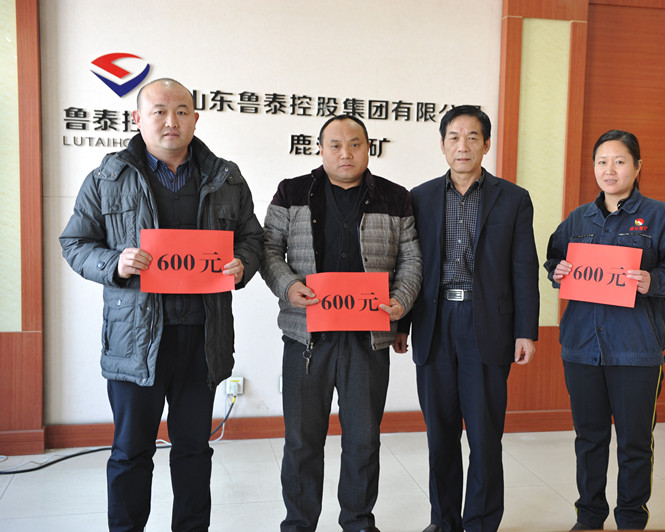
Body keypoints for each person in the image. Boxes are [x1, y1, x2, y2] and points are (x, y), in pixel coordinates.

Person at [60, 78, 264, 532]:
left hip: (202, 338)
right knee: (131, 451)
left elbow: (253, 238)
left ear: (195, 118)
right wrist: (115, 262)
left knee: (194, 451)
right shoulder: (108, 177)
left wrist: (242, 264)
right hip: (136, 343)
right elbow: (75, 243)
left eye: (182, 111)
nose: (171, 121)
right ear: (137, 118)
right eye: (159, 111)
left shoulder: (226, 178)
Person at [261, 115, 422, 532]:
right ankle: (299, 524)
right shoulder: (292, 191)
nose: (345, 153)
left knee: (363, 439)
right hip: (306, 337)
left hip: (367, 339)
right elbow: (269, 249)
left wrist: (402, 301)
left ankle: (358, 521)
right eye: (335, 145)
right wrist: (288, 286)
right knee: (301, 440)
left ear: (369, 148)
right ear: (320, 149)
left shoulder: (395, 197)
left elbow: (411, 259)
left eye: (355, 144)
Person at [395, 105, 539, 532]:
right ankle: (444, 522)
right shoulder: (419, 197)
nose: (463, 146)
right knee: (439, 435)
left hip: (487, 325)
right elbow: (409, 264)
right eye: (454, 137)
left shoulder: (513, 198)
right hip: (434, 322)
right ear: (442, 145)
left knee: (484, 435)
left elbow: (524, 268)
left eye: (472, 137)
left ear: (486, 144)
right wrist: (402, 325)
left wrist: (525, 331)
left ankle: (480, 523)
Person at [544, 129, 665, 530]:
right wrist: (557, 271)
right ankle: (590, 516)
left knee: (634, 442)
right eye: (601, 162)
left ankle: (630, 518)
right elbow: (553, 259)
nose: (609, 170)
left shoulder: (659, 216)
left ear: (637, 167)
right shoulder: (578, 218)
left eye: (619, 161)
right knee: (589, 439)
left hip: (636, 348)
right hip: (582, 347)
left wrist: (652, 280)